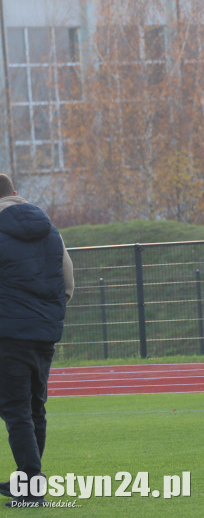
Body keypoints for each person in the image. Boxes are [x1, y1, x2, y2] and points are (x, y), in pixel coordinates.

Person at [0, 174, 74, 508]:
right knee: (34, 408)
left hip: (8, 333)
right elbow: (68, 281)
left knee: (16, 411)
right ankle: (27, 480)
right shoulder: (50, 230)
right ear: (15, 193)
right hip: (44, 331)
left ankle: (30, 486)